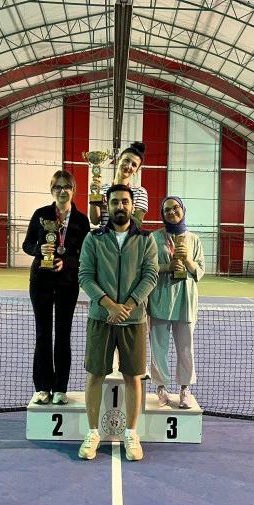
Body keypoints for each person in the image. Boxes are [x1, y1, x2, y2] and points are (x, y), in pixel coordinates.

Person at [77, 184, 159, 461]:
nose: (120, 206)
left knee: (133, 377)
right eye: (114, 202)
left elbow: (150, 276)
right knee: (95, 375)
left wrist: (129, 306)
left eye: (125, 201)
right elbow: (85, 276)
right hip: (101, 318)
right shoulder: (94, 239)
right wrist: (109, 305)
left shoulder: (146, 239)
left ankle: (131, 434)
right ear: (107, 206)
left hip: (133, 321)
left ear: (132, 206)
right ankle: (92, 433)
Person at [22, 170, 91, 405]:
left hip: (67, 283)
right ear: (52, 190)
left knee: (63, 335)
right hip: (40, 282)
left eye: (67, 187)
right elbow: (27, 244)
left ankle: (60, 388)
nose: (62, 191)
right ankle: (43, 387)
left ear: (73, 190)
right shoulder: (41, 214)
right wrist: (39, 250)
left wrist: (67, 262)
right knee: (43, 334)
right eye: (58, 187)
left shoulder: (81, 220)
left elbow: (85, 253)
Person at [148, 196, 205, 409]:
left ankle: (184, 389)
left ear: (183, 209)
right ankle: (161, 388)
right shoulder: (154, 238)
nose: (172, 212)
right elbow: (148, 267)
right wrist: (167, 267)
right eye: (167, 210)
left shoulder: (194, 240)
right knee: (159, 349)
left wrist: (188, 260)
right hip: (160, 300)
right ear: (162, 215)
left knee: (185, 349)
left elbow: (199, 272)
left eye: (175, 208)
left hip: (185, 303)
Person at [89, 141, 149, 228]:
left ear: (136, 171)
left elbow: (137, 223)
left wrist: (109, 207)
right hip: (105, 235)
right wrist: (94, 194)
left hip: (128, 236)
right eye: (126, 160)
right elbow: (95, 221)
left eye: (134, 165)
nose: (128, 166)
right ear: (118, 160)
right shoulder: (102, 189)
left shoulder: (140, 192)